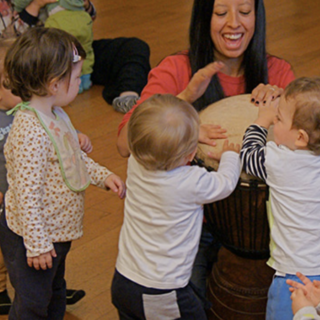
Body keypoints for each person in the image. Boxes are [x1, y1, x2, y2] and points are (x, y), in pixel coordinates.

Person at [116, 0, 295, 302]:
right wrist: (184, 98)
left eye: (245, 12)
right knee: (190, 300)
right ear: (203, 16)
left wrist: (284, 107)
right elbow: (124, 144)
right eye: (221, 12)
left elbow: (307, 150)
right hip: (189, 225)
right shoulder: (176, 68)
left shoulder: (277, 71)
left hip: (263, 220)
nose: (234, 23)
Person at [0, 27, 125, 319]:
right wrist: (38, 245)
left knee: (55, 291)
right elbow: (25, 195)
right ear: (54, 84)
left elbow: (72, 159)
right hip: (33, 238)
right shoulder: (30, 131)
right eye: (77, 75)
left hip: (56, 232)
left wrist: (103, 176)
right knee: (32, 303)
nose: (81, 80)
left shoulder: (55, 115)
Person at [111, 93, 241, 320]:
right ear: (191, 154)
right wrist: (230, 156)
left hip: (124, 279)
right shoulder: (191, 181)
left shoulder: (135, 163)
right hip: (161, 292)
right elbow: (226, 184)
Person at [240, 76, 320, 320]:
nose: (275, 121)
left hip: (293, 278)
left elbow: (248, 154)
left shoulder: (279, 161)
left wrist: (261, 121)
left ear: (300, 138)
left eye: (279, 119)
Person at [10, 0, 151, 113]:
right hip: (43, 61)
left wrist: (84, 4)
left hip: (80, 51)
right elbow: (14, 44)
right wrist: (36, 4)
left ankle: (128, 95)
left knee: (134, 47)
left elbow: (90, 17)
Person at [13, 0, 95, 94]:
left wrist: (17, 8)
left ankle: (71, 85)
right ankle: (86, 80)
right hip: (83, 18)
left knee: (62, 55)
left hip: (60, 20)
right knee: (85, 51)